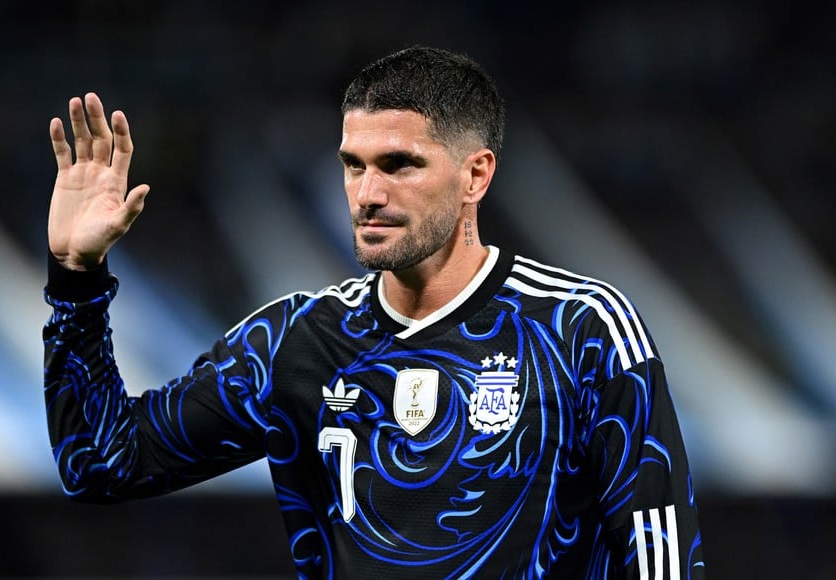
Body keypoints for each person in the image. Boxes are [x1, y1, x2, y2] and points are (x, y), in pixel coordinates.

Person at [43, 46, 705, 578]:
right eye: (352, 165)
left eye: (399, 165)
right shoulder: (296, 343)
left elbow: (662, 560)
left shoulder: (581, 330)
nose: (367, 193)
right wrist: (76, 278)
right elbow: (102, 463)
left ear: (476, 175)